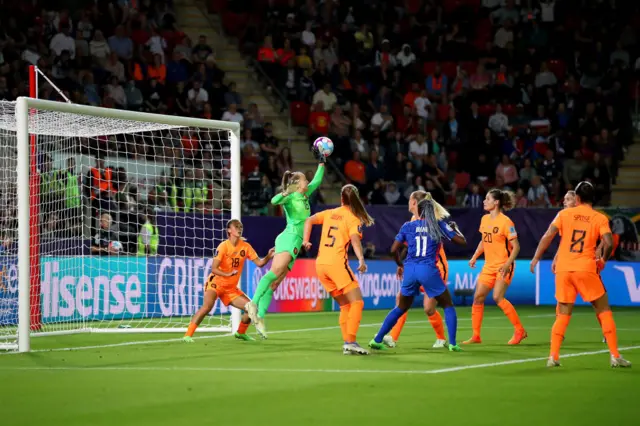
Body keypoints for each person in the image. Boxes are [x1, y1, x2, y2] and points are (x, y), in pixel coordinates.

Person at [530, 182, 631, 368]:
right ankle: (615, 355)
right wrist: (602, 261)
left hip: (563, 269)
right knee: (603, 310)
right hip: (585, 268)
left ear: (576, 198)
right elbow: (608, 243)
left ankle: (553, 356)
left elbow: (547, 236)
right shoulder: (599, 218)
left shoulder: (563, 214)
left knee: (562, 314)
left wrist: (536, 258)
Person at [369, 194, 467, 352]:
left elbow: (393, 250)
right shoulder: (437, 224)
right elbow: (461, 242)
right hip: (428, 269)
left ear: (418, 208)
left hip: (410, 270)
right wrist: (456, 230)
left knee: (400, 307)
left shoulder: (408, 226)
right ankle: (453, 343)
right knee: (448, 305)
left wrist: (400, 264)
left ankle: (377, 338)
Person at [245, 146, 326, 338]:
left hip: (296, 242)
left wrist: (322, 162)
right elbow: (273, 202)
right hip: (288, 236)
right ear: (297, 184)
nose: (308, 180)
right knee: (275, 272)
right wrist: (284, 193)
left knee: (275, 283)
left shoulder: (306, 194)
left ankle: (260, 317)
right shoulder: (290, 197)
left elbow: (318, 179)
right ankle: (253, 303)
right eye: (304, 179)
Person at [302, 185, 374, 355]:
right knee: (357, 302)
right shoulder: (352, 218)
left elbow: (308, 220)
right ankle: (351, 341)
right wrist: (362, 259)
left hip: (320, 265)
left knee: (344, 305)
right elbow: (355, 241)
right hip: (336, 264)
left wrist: (306, 240)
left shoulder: (329, 213)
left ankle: (347, 344)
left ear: (341, 199)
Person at [183, 219, 274, 342]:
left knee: (252, 308)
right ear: (229, 230)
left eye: (241, 226)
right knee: (207, 306)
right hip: (216, 283)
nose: (239, 228)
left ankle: (240, 333)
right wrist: (228, 273)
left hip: (230, 289)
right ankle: (188, 335)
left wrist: (268, 256)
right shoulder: (223, 246)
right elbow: (214, 269)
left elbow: (260, 263)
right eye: (236, 226)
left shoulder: (246, 247)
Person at [382, 190, 451, 349]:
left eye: (409, 200)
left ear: (414, 202)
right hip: (418, 266)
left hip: (436, 267)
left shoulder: (433, 221)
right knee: (401, 299)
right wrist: (402, 265)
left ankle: (441, 338)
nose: (408, 202)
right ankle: (392, 337)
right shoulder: (413, 220)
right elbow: (409, 246)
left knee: (428, 308)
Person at [464, 189, 527, 345]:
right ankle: (476, 336)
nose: (484, 201)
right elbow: (483, 241)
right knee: (478, 297)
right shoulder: (485, 219)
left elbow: (516, 246)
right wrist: (474, 256)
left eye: (487, 199)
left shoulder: (506, 222)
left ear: (496, 202)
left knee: (497, 297)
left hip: (504, 265)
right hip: (489, 266)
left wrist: (507, 264)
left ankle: (520, 331)